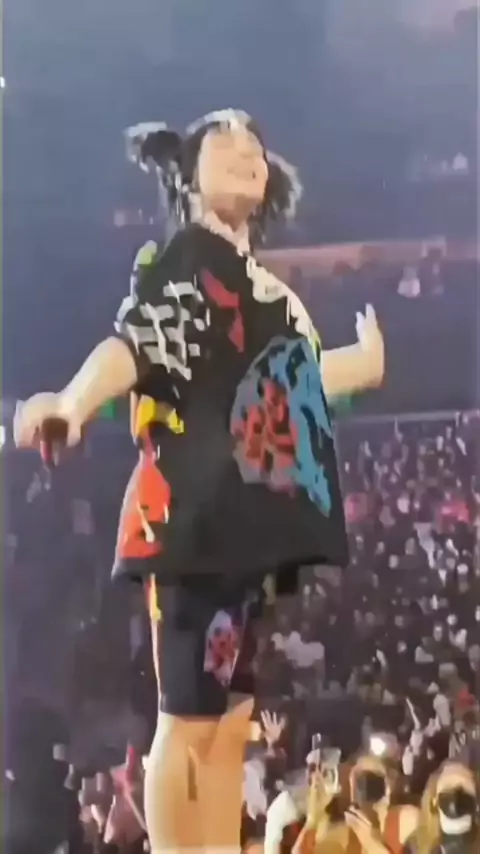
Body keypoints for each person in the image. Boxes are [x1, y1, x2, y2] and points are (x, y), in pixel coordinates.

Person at [14, 108, 385, 854]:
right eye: (227, 143)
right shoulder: (186, 261)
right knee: (185, 722)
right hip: (193, 518)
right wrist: (74, 403)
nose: (247, 151)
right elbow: (133, 346)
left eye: (256, 146)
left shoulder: (273, 295)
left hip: (252, 529)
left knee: (231, 722)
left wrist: (368, 361)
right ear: (188, 176)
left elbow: (304, 380)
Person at [316, 754, 419, 854]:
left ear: (387, 787)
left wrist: (372, 844)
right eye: (360, 782)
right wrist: (317, 815)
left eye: (374, 781)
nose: (367, 788)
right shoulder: (341, 836)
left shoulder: (406, 820)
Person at [404, 761, 480, 854]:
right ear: (434, 801)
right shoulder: (415, 846)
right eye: (448, 786)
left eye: (463, 786)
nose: (456, 792)